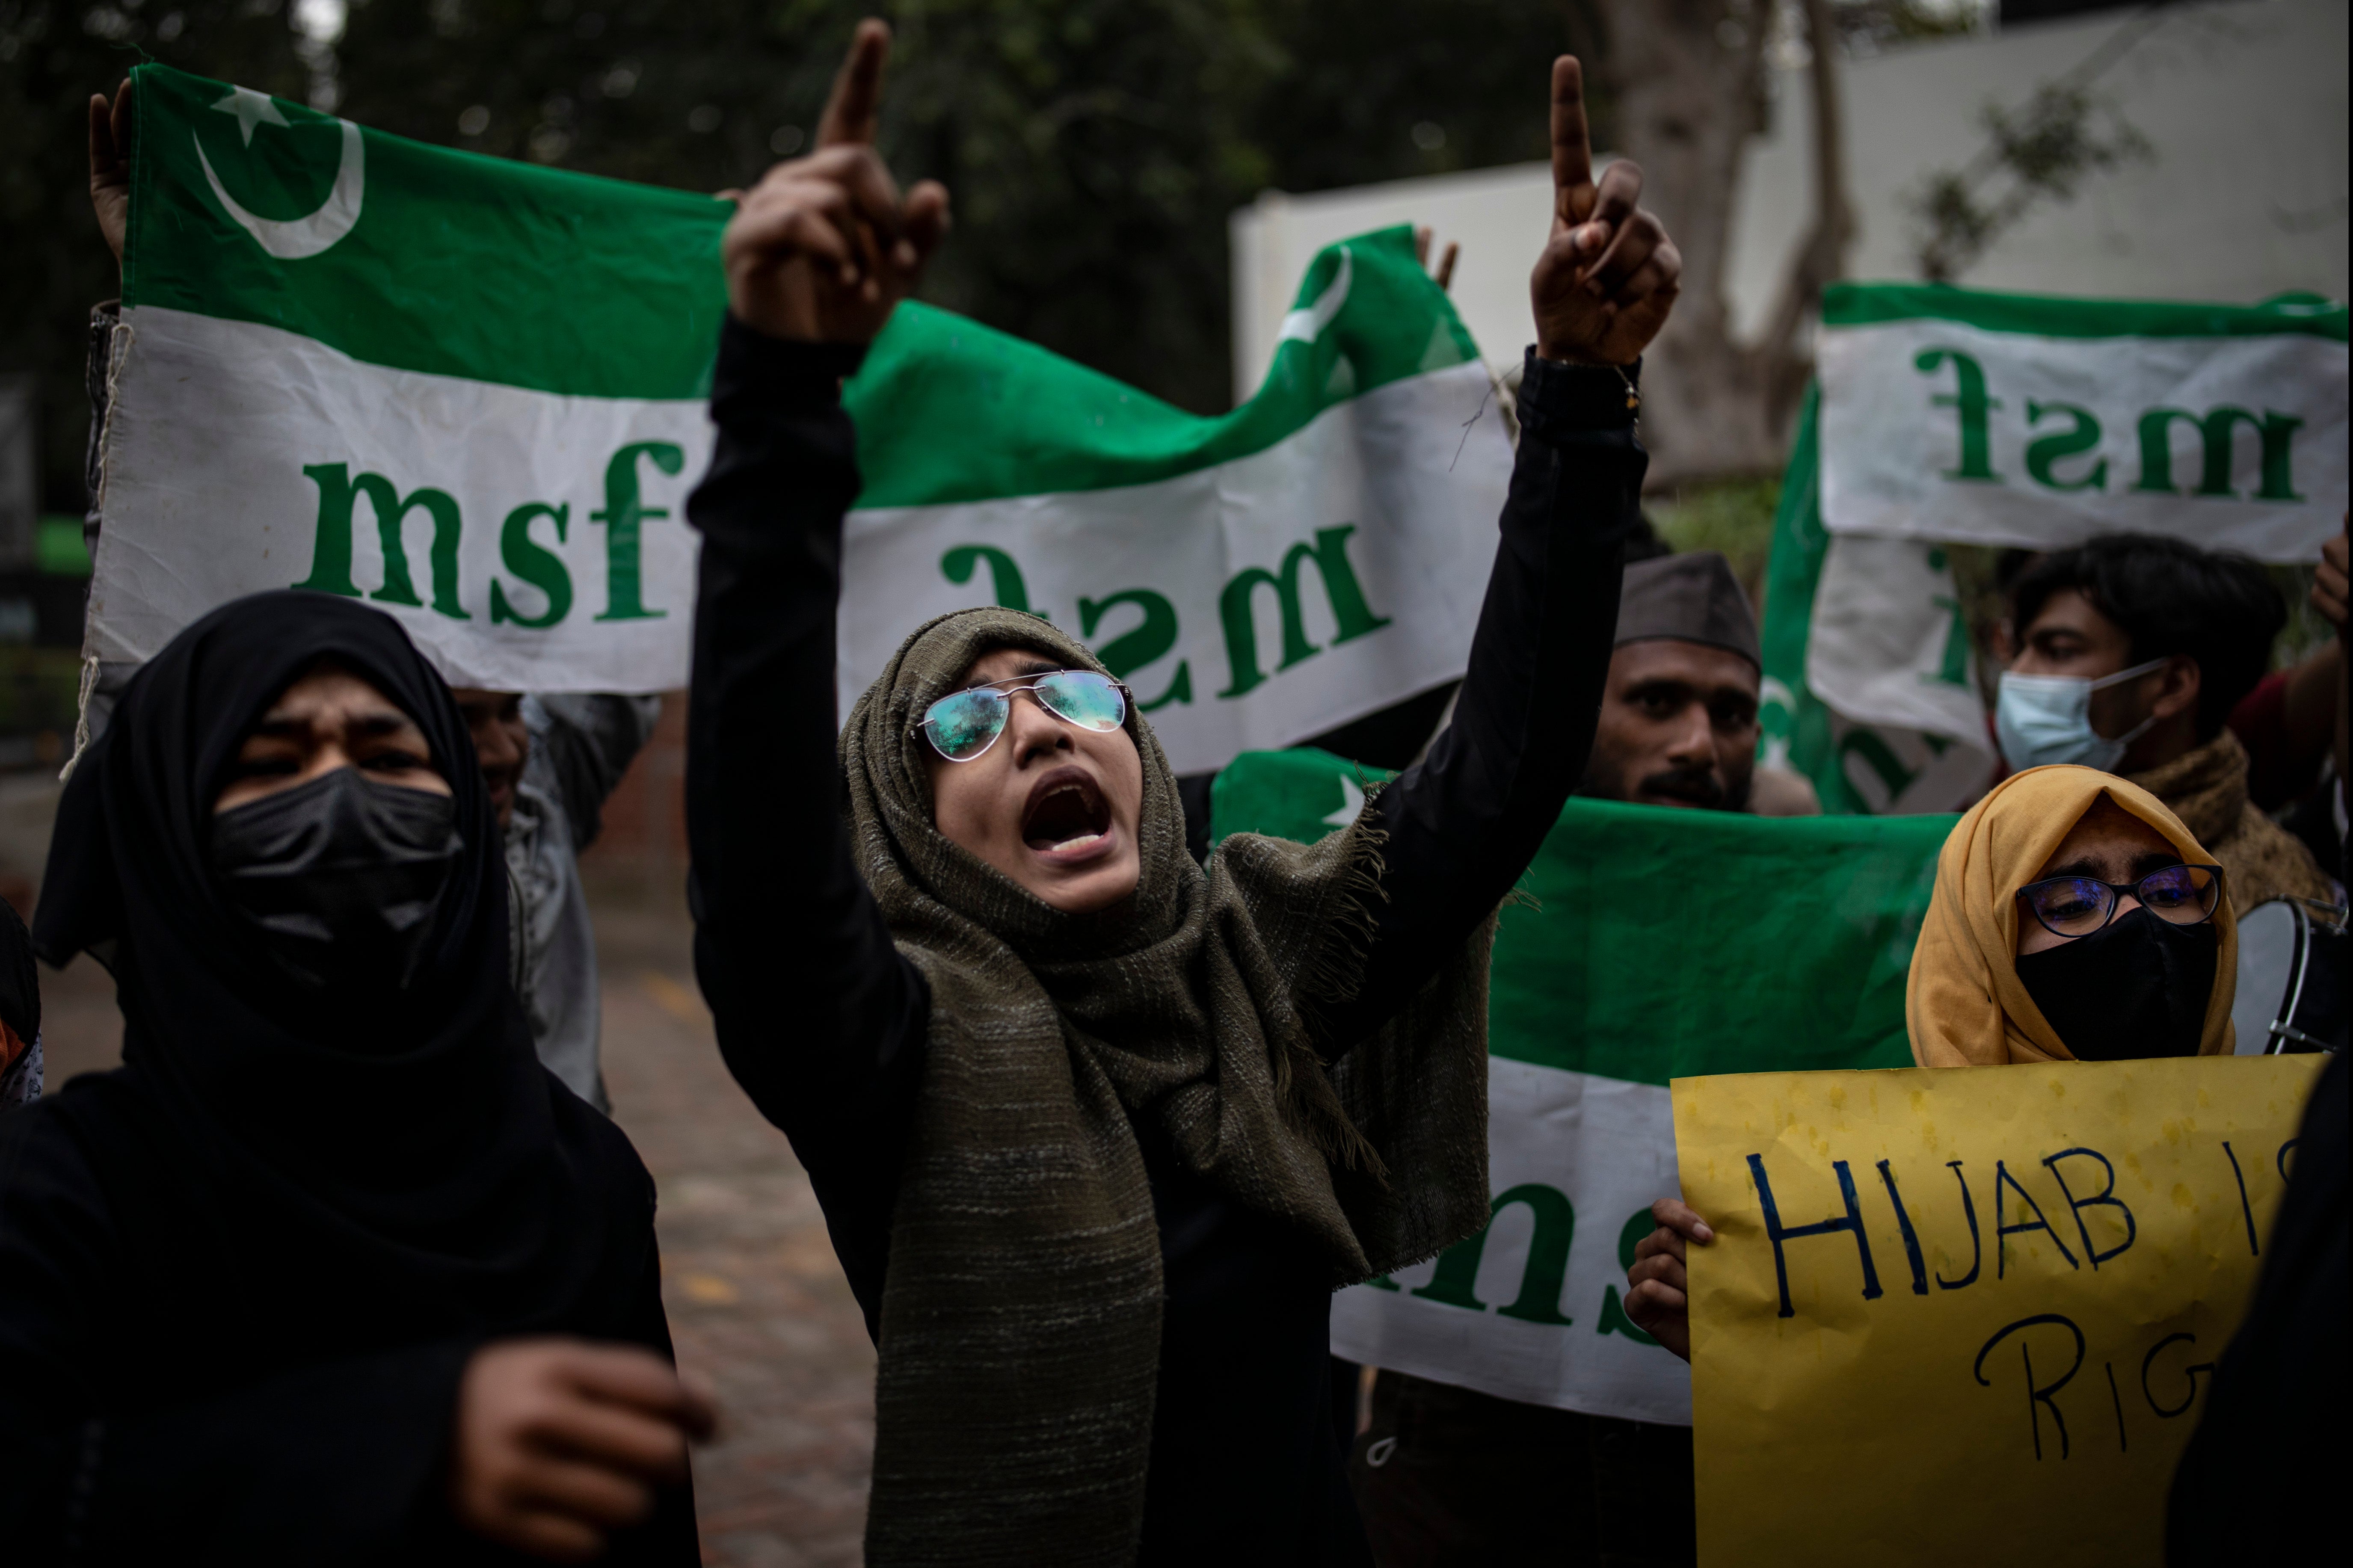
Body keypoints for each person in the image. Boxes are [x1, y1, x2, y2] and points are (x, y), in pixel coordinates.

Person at [685, 21, 1678, 1562]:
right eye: (962, 726)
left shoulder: (1262, 965)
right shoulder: (879, 1047)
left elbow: (1504, 766)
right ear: (902, 837)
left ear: (1144, 769)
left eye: (1076, 699)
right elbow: (754, 861)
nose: (1035, 731)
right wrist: (782, 393)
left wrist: (1576, 399)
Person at [0, 592, 712, 1563]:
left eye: (388, 757)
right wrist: (394, 1445)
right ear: (171, 832)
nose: (340, 797)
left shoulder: (580, 1174)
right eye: (270, 765)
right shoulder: (66, 1195)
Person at [87, 84, 661, 1110]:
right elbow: (145, 633)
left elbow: (630, 601)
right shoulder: (218, 886)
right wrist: (166, 305)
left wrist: (712, 351)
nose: (501, 745)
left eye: (511, 710)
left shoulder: (534, 798)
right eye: (435, 726)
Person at [1348, 549, 1767, 1566]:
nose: (1696, 743)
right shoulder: (1443, 903)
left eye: (1729, 711)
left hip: (1703, 1480)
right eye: (1655, 700)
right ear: (1578, 709)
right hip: (1453, 1474)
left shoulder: (1806, 934)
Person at [1624, 763, 2240, 1358]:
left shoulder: (2286, 1158)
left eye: (2169, 890)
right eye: (2074, 900)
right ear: (1984, 946)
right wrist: (1745, 1348)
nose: (2137, 919)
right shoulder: (1872, 1210)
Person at [1998, 533, 2333, 909]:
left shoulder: (2256, 902)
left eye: (2059, 652)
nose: (2018, 674)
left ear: (2172, 685)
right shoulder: (2005, 839)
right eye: (2021, 650)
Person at [452, 689, 663, 1112]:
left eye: (512, 710)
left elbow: (617, 671)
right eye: (465, 721)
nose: (505, 750)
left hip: (559, 1161)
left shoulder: (538, 788)